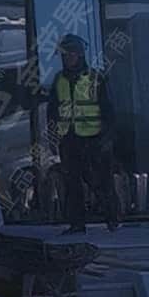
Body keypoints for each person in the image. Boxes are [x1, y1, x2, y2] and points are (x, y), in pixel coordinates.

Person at [46, 35, 115, 233]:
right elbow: (53, 111)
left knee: (98, 180)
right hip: (69, 139)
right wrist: (53, 137)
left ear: (80, 55)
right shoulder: (59, 80)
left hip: (93, 138)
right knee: (72, 182)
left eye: (70, 54)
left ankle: (112, 217)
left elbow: (108, 110)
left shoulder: (95, 78)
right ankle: (77, 223)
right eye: (64, 55)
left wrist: (106, 138)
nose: (67, 58)